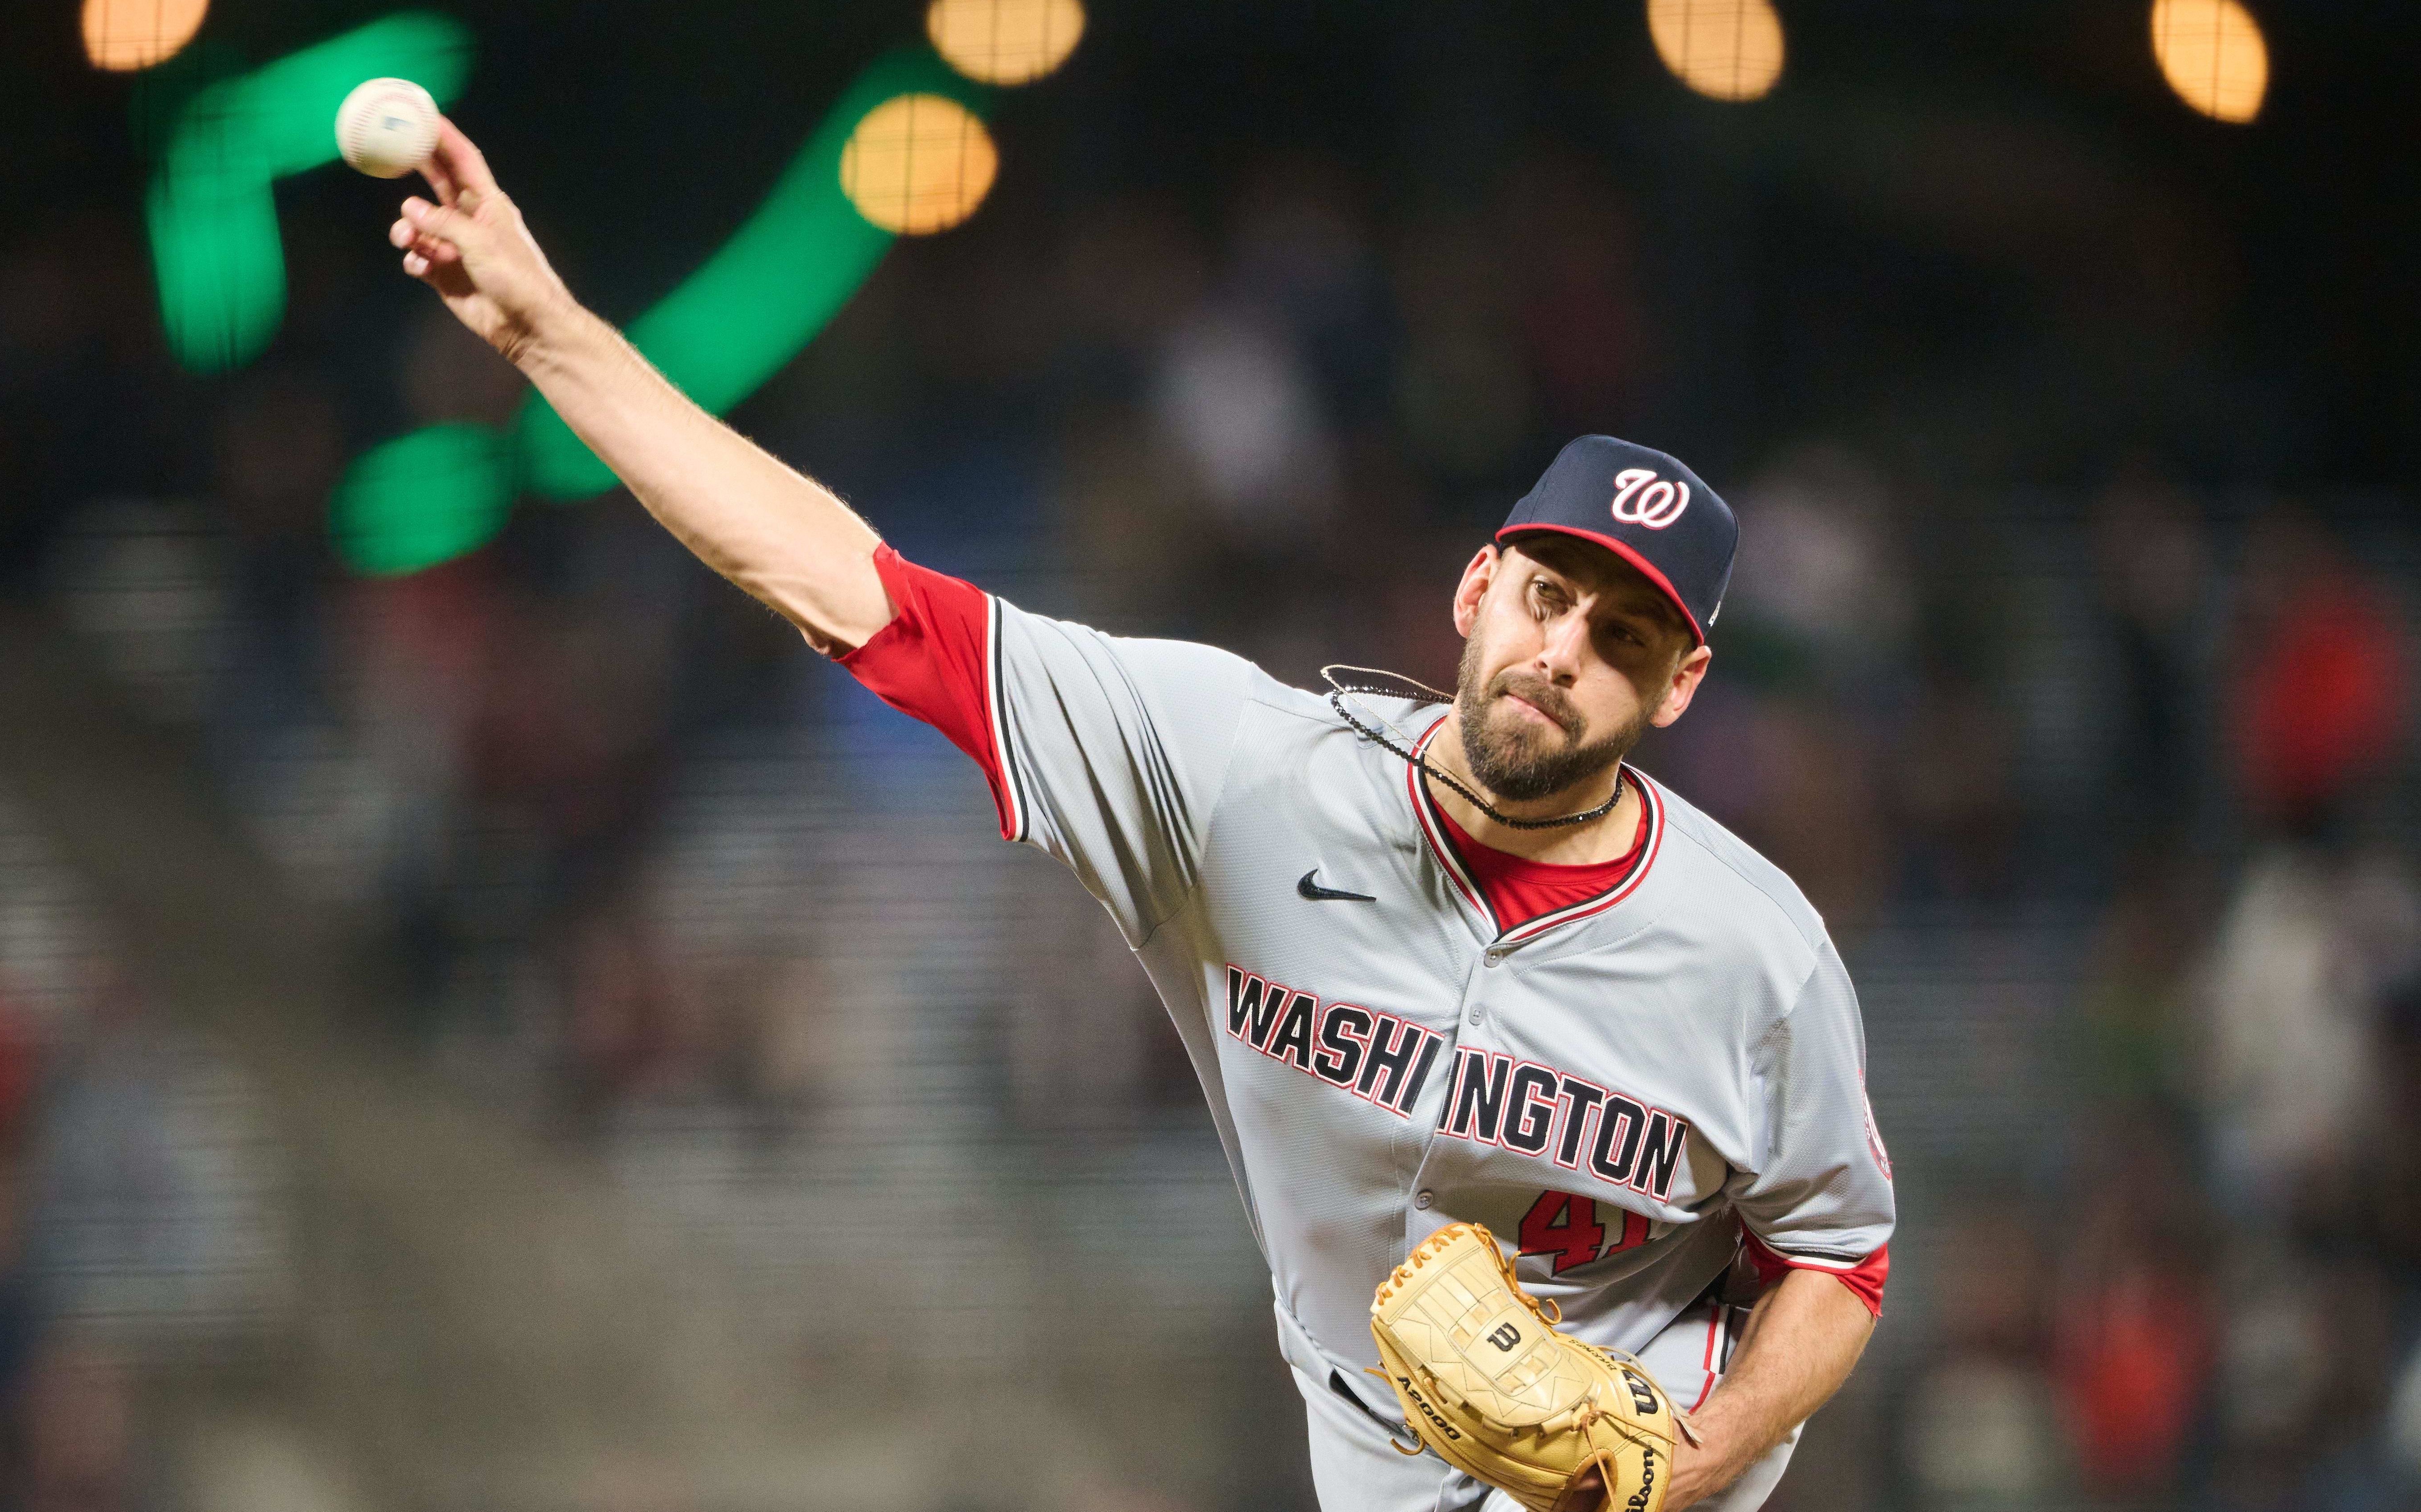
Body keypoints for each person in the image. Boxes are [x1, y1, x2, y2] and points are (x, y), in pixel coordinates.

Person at [378, 120, 1894, 1512]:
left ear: (1682, 685)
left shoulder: (1755, 955)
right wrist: (553, 339)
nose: (1562, 654)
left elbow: (1837, 1253)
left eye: (1623, 639)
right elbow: (859, 596)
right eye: (1550, 599)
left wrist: (1697, 1461)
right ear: (1476, 590)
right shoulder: (1239, 772)